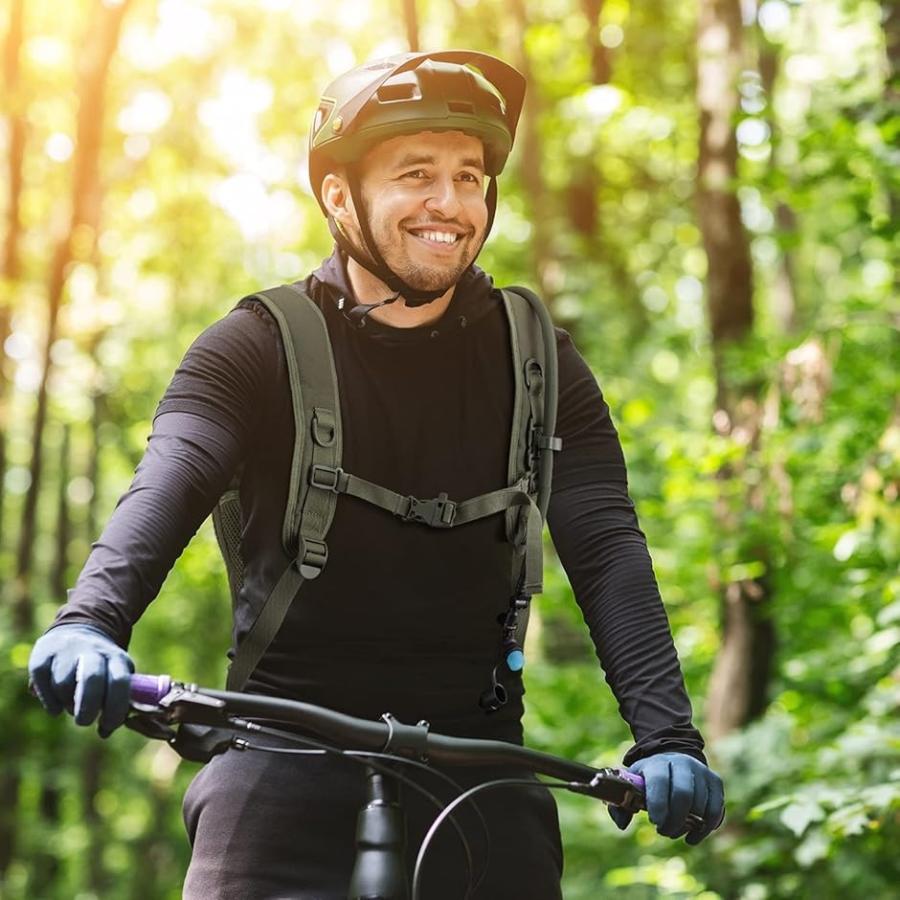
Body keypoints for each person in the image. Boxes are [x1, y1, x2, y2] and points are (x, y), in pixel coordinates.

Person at [29, 50, 724, 898]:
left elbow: (607, 546)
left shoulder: (540, 361)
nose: (451, 203)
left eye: (469, 176)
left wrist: (668, 736)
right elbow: (170, 479)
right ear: (338, 197)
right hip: (278, 754)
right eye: (416, 173)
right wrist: (90, 621)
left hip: (482, 767)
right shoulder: (253, 347)